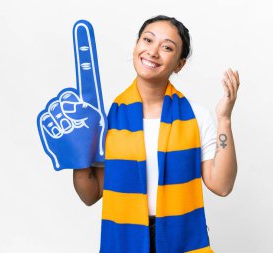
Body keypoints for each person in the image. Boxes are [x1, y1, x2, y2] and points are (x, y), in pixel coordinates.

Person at [73, 15, 239, 253]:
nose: (153, 51)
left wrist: (224, 119)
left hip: (180, 240)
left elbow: (221, 185)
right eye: (147, 40)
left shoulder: (196, 116)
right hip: (123, 241)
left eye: (167, 47)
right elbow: (91, 195)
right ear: (136, 46)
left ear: (179, 64)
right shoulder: (107, 118)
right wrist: (77, 156)